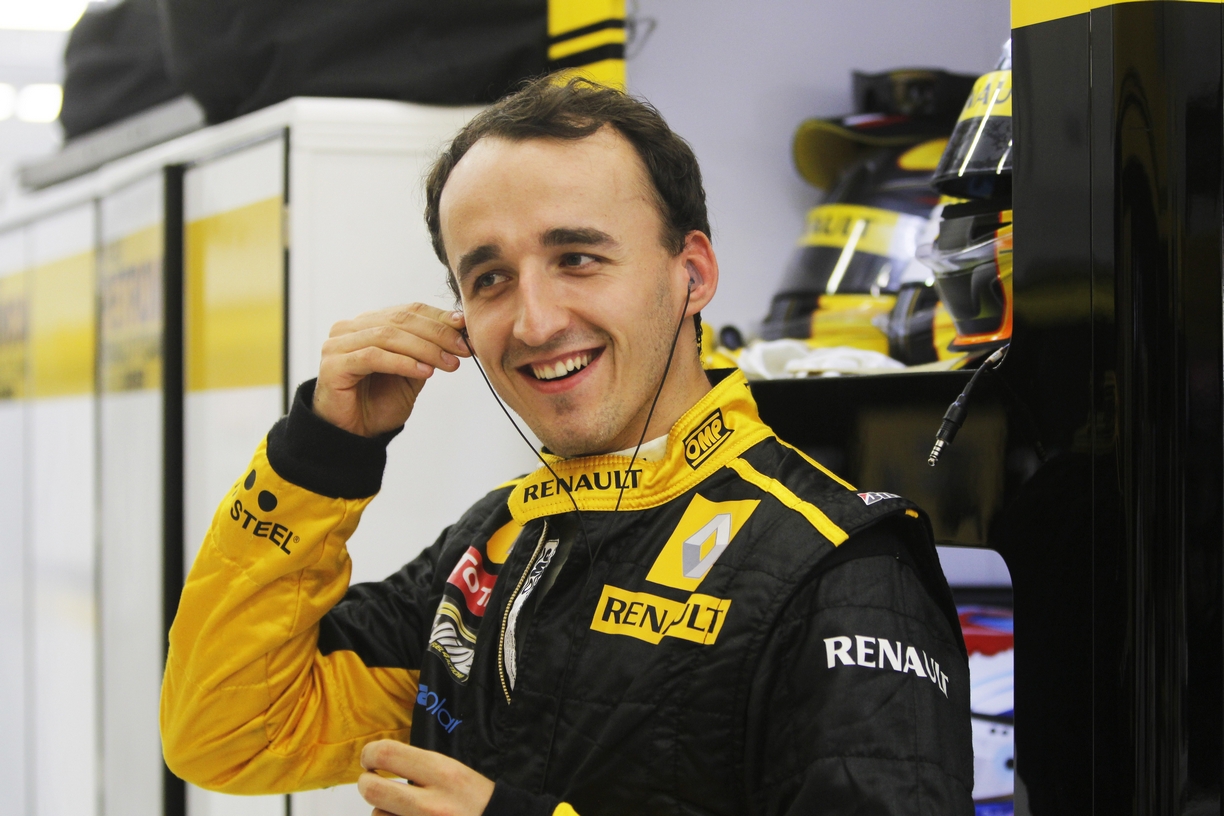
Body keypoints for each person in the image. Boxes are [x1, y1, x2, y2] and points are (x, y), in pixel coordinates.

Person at [161, 77, 973, 816]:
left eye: (577, 258)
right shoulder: (494, 544)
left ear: (691, 274)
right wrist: (319, 455)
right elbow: (227, 731)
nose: (535, 321)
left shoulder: (836, 569)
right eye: (490, 278)